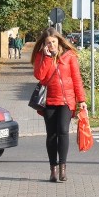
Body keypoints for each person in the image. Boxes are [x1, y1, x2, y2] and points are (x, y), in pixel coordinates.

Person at [32, 27, 87, 183]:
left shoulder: (69, 56)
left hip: (66, 101)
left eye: (54, 42)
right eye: (48, 43)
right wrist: (47, 58)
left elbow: (77, 79)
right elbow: (40, 76)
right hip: (48, 100)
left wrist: (81, 100)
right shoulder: (41, 56)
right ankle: (53, 170)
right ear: (44, 44)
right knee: (51, 135)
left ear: (59, 41)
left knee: (63, 131)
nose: (52, 45)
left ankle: (63, 168)